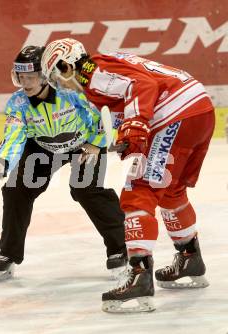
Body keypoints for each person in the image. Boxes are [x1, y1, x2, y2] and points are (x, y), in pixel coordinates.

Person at [41, 38, 214, 313]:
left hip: (174, 114)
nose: (60, 86)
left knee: (139, 189)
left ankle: (139, 277)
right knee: (171, 191)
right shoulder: (105, 66)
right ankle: (190, 258)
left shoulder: (91, 72)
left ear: (66, 65)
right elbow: (129, 97)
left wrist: (135, 125)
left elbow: (143, 86)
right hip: (199, 109)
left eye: (56, 77)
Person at [0, 45, 127, 282]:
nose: (26, 83)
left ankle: (120, 249)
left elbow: (104, 113)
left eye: (30, 77)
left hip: (84, 144)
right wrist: (3, 160)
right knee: (16, 190)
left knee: (86, 189)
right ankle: (8, 254)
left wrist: (96, 142)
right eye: (20, 77)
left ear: (44, 75)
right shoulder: (18, 103)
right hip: (43, 148)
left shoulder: (71, 91)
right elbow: (14, 133)